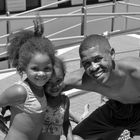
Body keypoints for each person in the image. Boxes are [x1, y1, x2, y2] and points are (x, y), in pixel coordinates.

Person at [64, 34, 140, 140]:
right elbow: (53, 83)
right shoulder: (86, 79)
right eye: (86, 63)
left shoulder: (135, 72)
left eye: (97, 59)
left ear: (112, 54)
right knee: (76, 137)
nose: (94, 67)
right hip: (115, 109)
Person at [0, 16, 55, 140]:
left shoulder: (43, 88)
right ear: (24, 67)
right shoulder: (20, 91)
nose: (41, 74)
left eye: (47, 68)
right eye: (35, 69)